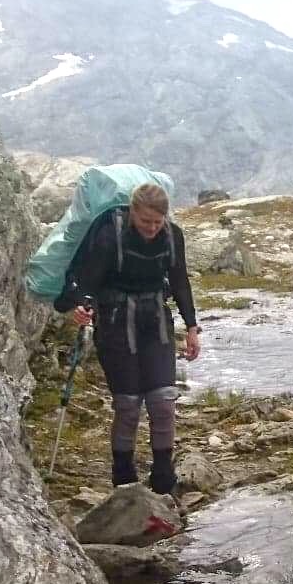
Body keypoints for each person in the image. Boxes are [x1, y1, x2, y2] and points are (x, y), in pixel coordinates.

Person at [56, 183, 200, 493]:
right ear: (133, 211)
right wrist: (82, 306)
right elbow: (88, 281)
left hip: (155, 320)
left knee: (163, 400)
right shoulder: (111, 235)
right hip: (115, 323)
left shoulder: (172, 236)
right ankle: (123, 477)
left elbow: (179, 281)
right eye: (145, 220)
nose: (151, 228)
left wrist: (191, 327)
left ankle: (163, 477)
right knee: (128, 404)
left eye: (157, 222)